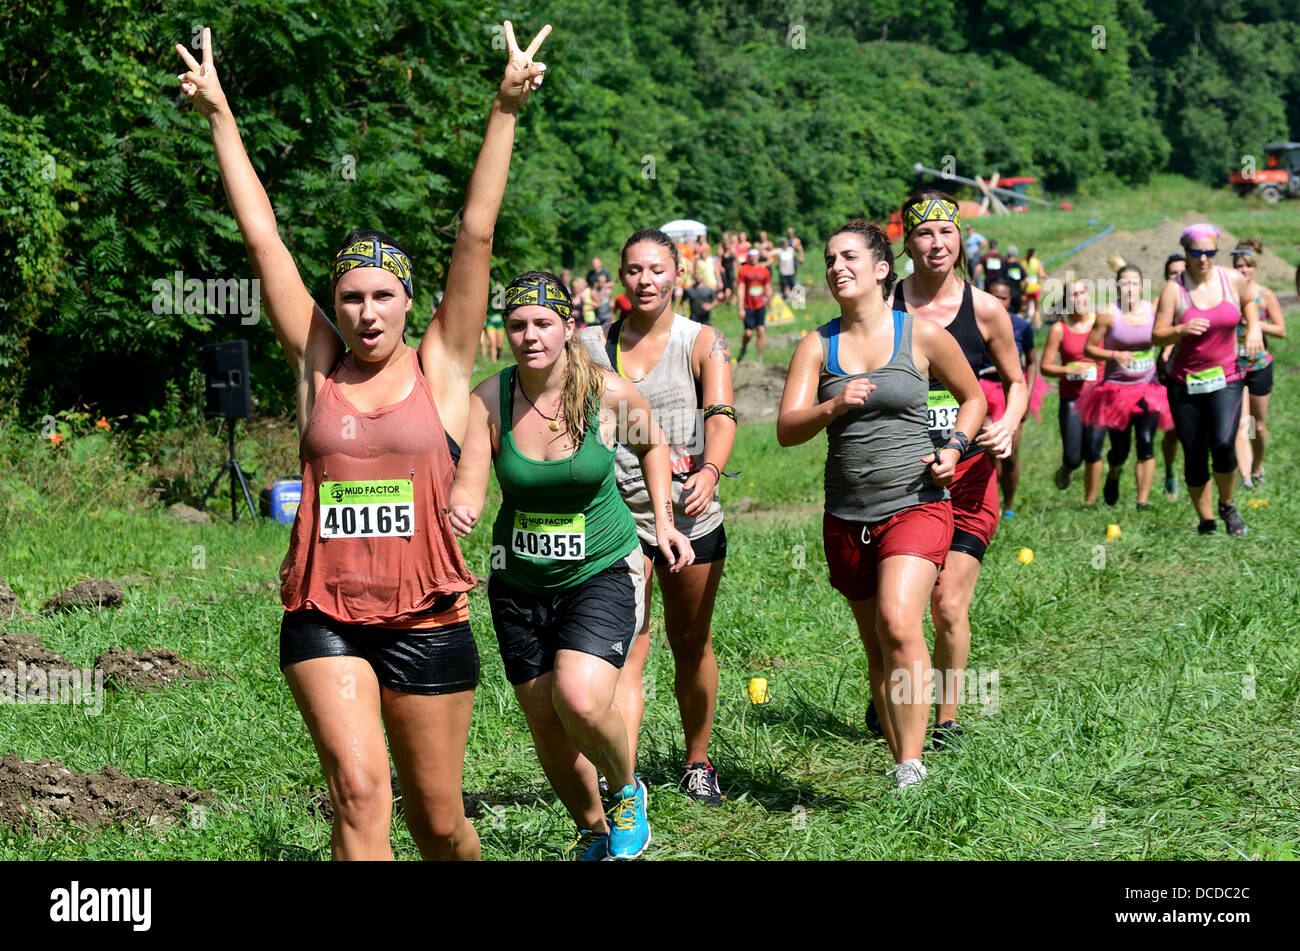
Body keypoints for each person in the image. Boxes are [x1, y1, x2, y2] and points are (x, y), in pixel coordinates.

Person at [176, 22, 550, 860]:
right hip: (323, 615)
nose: (366, 312)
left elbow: (475, 235)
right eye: (350, 297)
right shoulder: (319, 368)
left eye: (383, 295)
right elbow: (264, 239)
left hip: (428, 619)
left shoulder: (444, 365)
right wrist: (221, 116)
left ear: (409, 302)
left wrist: (504, 108)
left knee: (440, 821)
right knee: (358, 792)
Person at [448, 272, 693, 861]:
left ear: (567, 327)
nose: (529, 336)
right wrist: (460, 513)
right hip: (518, 581)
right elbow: (471, 482)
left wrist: (662, 520)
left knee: (579, 700)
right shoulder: (489, 398)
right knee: (545, 719)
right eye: (516, 325)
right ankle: (590, 829)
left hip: (601, 570)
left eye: (542, 324)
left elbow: (654, 447)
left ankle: (624, 789)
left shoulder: (608, 393)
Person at [778, 221, 985, 788]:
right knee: (876, 645)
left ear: (880, 269)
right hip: (845, 514)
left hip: (915, 503)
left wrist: (956, 446)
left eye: (849, 257)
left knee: (899, 624)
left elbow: (974, 397)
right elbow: (786, 429)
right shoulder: (816, 345)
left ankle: (913, 765)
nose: (836, 267)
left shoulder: (919, 335)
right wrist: (833, 405)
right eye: (828, 259)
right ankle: (900, 759)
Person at [579, 228, 737, 805]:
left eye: (656, 270)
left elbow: (721, 415)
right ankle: (625, 779)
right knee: (627, 645)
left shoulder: (702, 341)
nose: (645, 280)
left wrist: (710, 471)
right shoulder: (590, 345)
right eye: (634, 270)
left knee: (690, 639)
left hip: (690, 514)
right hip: (616, 517)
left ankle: (698, 761)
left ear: (677, 276)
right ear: (620, 277)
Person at [883, 190, 1025, 747]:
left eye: (945, 232)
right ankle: (895, 697)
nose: (936, 244)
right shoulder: (886, 305)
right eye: (924, 233)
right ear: (908, 243)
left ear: (959, 238)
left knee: (946, 603)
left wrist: (1008, 424)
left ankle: (946, 719)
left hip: (968, 478)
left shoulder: (985, 309)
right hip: (900, 478)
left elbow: (1016, 381)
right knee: (900, 608)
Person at [1152, 223, 1261, 535]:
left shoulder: (1233, 279)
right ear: (1186, 252)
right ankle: (1206, 520)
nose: (1203, 259)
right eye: (1196, 252)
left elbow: (1248, 305)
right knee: (1194, 450)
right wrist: (1180, 330)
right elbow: (1156, 336)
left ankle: (1227, 505)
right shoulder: (1175, 289)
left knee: (1224, 441)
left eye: (1210, 252)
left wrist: (1253, 328)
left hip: (1227, 376)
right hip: (1183, 381)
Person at [1076, 264, 1172, 510]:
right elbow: (1089, 348)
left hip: (1148, 387)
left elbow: (1168, 330)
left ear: (1142, 286)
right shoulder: (1109, 313)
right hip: (1116, 390)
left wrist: (1169, 348)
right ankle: (1114, 473)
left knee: (1146, 442)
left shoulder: (1152, 310)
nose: (1130, 288)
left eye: (1134, 283)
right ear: (1117, 287)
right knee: (1120, 450)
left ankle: (1142, 501)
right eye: (1124, 283)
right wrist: (1114, 355)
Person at [981, 277, 1047, 517]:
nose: (998, 301)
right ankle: (991, 504)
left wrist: (1027, 398)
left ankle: (1008, 506)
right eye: (994, 296)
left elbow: (1031, 361)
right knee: (987, 453)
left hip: (1010, 391)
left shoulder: (1021, 326)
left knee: (1009, 453)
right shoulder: (974, 322)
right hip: (982, 390)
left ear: (1011, 300)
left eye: (1004, 297)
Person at [1040, 281, 1105, 504]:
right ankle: (1067, 467)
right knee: (1074, 456)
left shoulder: (1101, 323)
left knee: (1094, 450)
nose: (1078, 298)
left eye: (1082, 293)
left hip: (1099, 396)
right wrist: (1068, 369)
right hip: (1072, 398)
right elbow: (1045, 366)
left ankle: (1090, 501)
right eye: (1073, 294)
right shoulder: (1061, 329)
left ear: (1088, 296)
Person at [1230, 241, 1286, 487]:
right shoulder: (1228, 294)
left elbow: (1281, 330)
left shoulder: (1264, 295)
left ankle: (1257, 466)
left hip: (1260, 366)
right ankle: (1245, 476)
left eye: (1247, 267)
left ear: (1254, 268)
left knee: (1257, 424)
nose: (1243, 271)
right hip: (1234, 366)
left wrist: (1255, 324)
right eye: (1239, 266)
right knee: (1243, 423)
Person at [1159, 253, 1187, 497]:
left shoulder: (1200, 298)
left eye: (1181, 271)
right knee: (1172, 431)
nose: (1177, 276)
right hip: (1167, 374)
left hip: (1196, 370)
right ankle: (1169, 470)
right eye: (1172, 273)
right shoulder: (1161, 301)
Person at [736, 247, 772, 362]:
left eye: (755, 255)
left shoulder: (764, 270)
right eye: (751, 255)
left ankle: (760, 357)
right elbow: (740, 289)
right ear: (748, 256)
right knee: (748, 333)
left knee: (761, 330)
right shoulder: (743, 270)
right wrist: (740, 307)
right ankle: (744, 348)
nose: (754, 257)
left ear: (758, 256)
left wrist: (771, 307)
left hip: (760, 305)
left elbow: (768, 288)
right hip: (748, 306)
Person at [1022, 247, 1046, 328]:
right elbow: (1041, 274)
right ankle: (1038, 325)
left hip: (1026, 289)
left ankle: (1025, 323)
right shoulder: (1037, 262)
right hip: (1035, 288)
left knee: (1027, 307)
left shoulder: (1023, 262)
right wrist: (1045, 277)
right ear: (1034, 254)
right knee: (1036, 309)